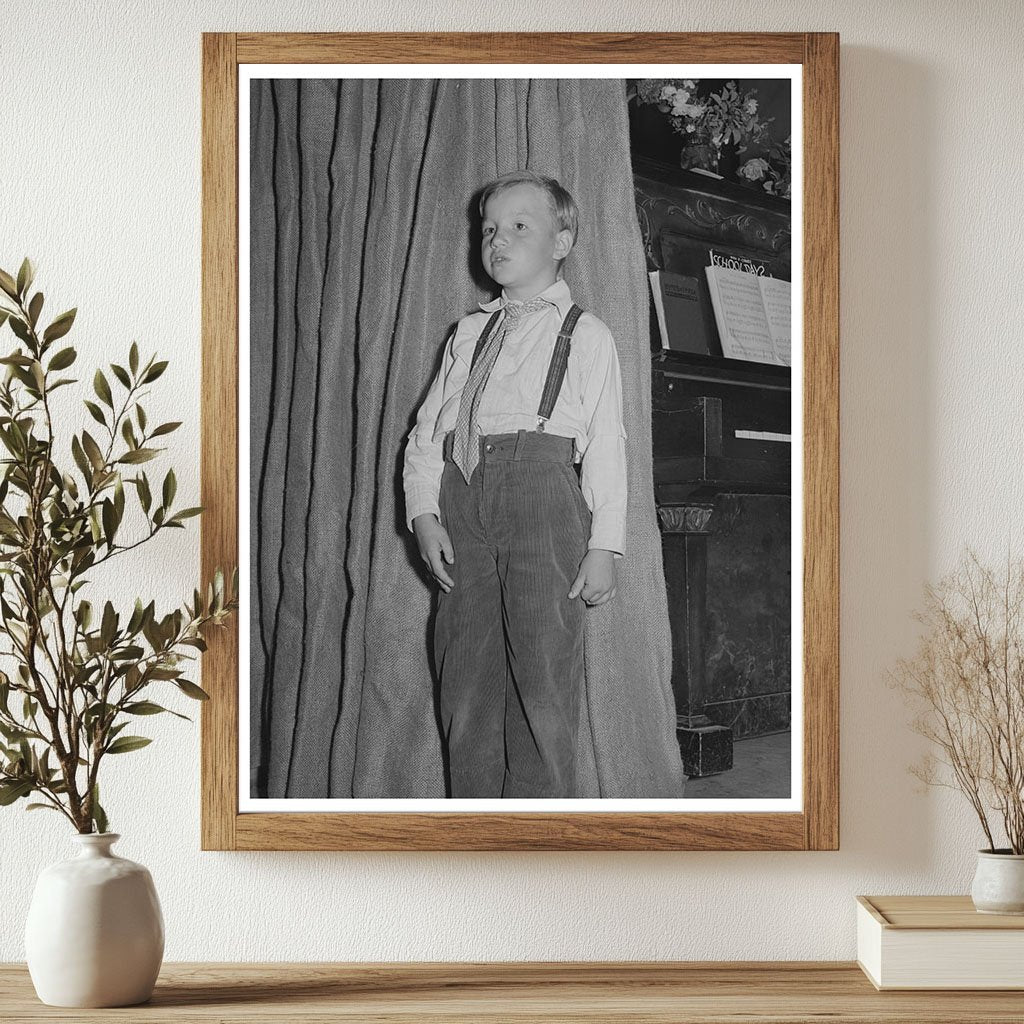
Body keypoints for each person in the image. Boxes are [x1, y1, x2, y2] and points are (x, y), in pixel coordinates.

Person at [402, 170, 627, 798]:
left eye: (519, 226)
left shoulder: (587, 333)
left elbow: (608, 445)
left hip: (543, 493)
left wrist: (604, 544)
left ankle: (542, 828)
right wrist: (424, 515)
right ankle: (474, 823)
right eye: (489, 229)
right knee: (465, 674)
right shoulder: (468, 333)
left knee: (541, 676)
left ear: (562, 239)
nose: (498, 240)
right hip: (460, 496)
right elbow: (426, 436)